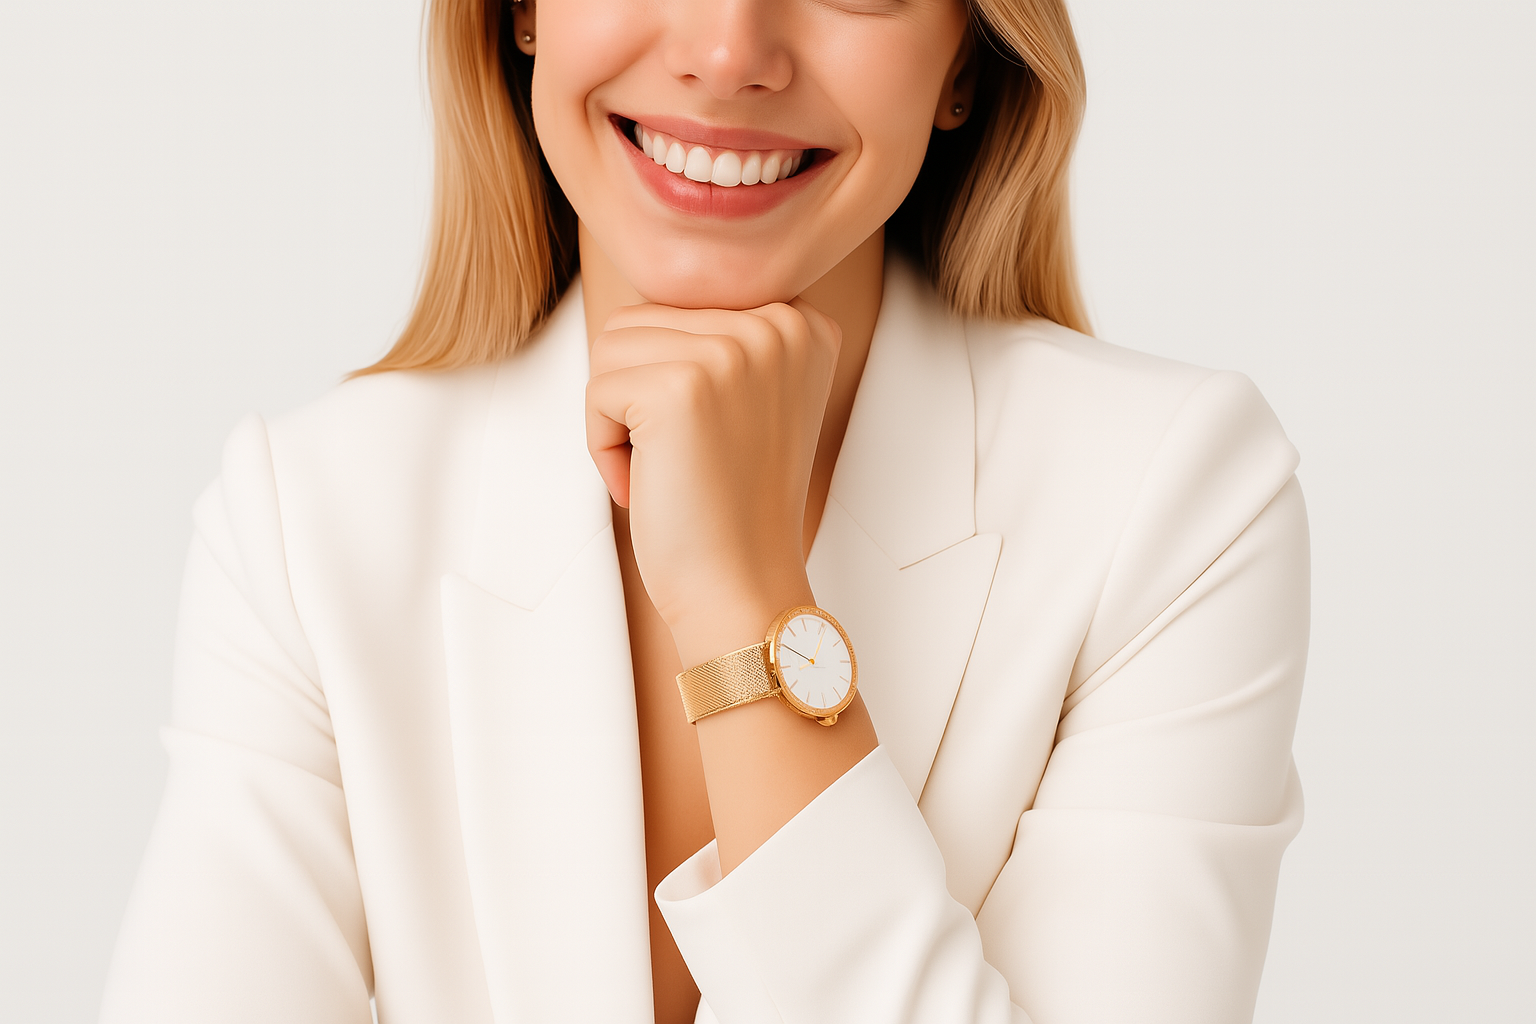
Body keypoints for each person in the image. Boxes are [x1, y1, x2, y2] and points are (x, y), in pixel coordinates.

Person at [101, 0, 1308, 1021]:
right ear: (523, 11)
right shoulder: (310, 513)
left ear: (966, 62)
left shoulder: (1173, 490)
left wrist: (746, 603)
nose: (729, 52)